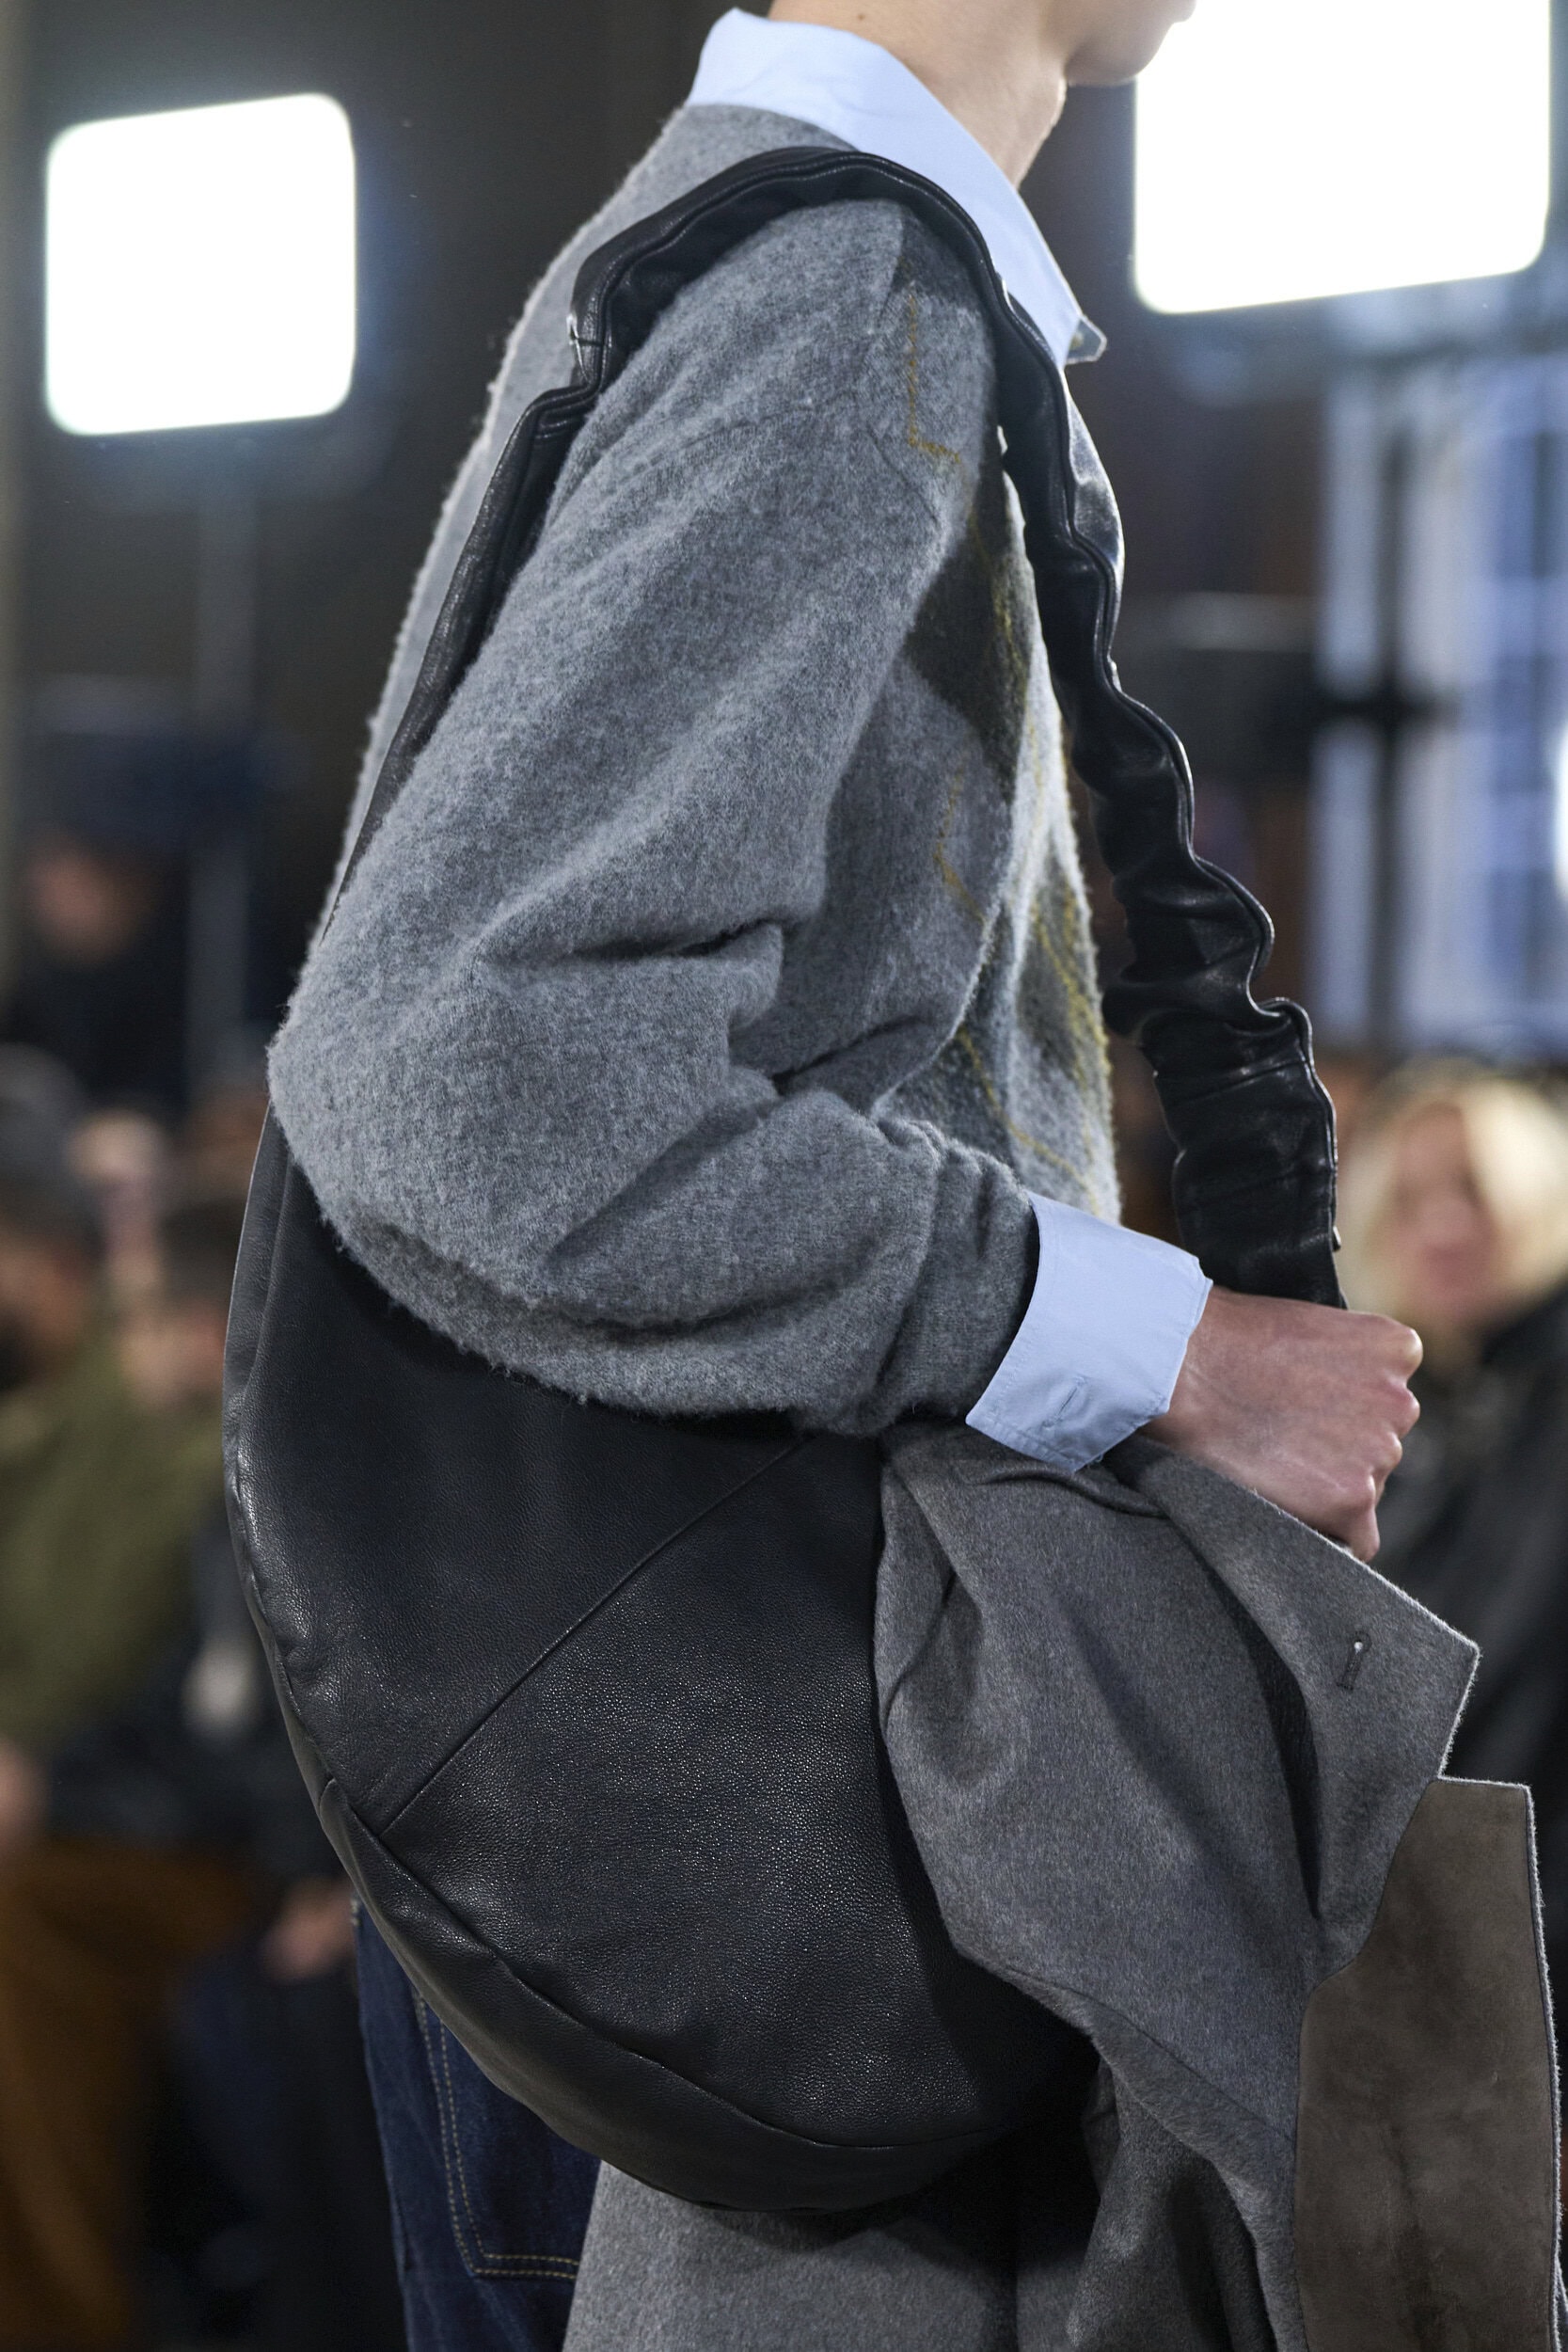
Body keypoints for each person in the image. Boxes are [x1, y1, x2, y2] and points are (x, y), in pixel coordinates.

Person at [264, 1, 1422, 2344]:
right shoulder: (834, 288)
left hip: (658, 1864)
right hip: (743, 1878)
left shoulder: (776, 251)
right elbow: (465, 1064)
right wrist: (1165, 1346)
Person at [1338, 1061, 1568, 2008]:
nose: (1439, 1225)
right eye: (1409, 1197)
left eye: (1471, 1189)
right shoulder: (1404, 1408)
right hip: (1436, 1917)